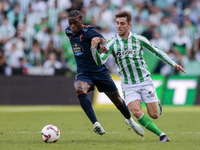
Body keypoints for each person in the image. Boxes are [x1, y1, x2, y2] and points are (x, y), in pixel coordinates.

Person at [91, 11, 186, 142]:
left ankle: (155, 103)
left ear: (129, 25)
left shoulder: (139, 39)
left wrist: (173, 64)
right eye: (117, 23)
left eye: (122, 24)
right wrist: (93, 50)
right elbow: (99, 62)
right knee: (135, 112)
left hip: (145, 81)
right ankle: (162, 135)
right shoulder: (112, 43)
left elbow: (156, 51)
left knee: (154, 115)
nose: (119, 26)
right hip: (128, 84)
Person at [65, 10, 144, 136]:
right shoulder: (68, 31)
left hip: (99, 71)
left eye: (75, 23)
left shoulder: (88, 30)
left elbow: (102, 39)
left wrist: (102, 45)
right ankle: (96, 123)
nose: (72, 26)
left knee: (117, 100)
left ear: (81, 21)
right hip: (84, 72)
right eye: (70, 23)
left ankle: (130, 121)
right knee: (79, 88)